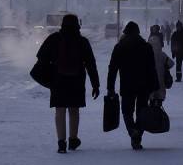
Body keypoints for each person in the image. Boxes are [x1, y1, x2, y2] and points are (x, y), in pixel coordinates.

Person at [36, 14, 100, 154]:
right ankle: (73, 139)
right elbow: (91, 65)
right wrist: (96, 85)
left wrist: (50, 70)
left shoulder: (54, 39)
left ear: (62, 24)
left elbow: (41, 57)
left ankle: (61, 143)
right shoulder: (82, 41)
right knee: (74, 110)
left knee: (60, 110)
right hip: (76, 80)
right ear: (77, 25)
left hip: (58, 80)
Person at [108, 22, 160, 150]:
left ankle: (132, 131)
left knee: (127, 111)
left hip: (127, 84)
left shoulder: (120, 46)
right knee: (142, 111)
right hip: (144, 85)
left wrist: (110, 87)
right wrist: (155, 86)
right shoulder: (146, 47)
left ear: (125, 33)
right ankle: (137, 135)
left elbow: (112, 69)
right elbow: (152, 68)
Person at [148, 32, 174, 106]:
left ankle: (152, 110)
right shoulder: (162, 54)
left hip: (150, 81)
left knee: (151, 96)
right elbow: (171, 64)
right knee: (159, 98)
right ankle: (158, 111)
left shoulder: (146, 54)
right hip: (161, 80)